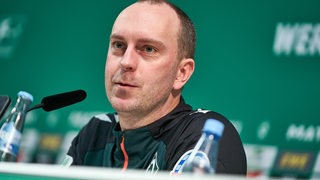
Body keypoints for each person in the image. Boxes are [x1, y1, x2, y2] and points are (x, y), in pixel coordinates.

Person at [67, 0, 247, 175]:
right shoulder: (96, 132)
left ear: (181, 72)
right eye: (119, 45)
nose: (126, 62)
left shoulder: (203, 136)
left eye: (148, 49)